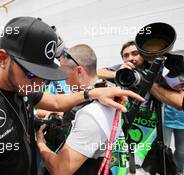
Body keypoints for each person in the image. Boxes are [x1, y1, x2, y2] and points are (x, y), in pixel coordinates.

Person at [0, 17, 144, 175]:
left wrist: (92, 92)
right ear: (2, 58)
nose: (38, 84)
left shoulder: (23, 86)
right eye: (32, 73)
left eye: (44, 76)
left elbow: (56, 102)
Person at [97, 41, 184, 173]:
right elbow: (97, 72)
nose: (130, 58)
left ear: (144, 55)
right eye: (126, 55)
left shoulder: (157, 71)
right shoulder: (123, 68)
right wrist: (119, 73)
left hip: (151, 134)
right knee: (121, 167)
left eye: (135, 53)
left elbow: (179, 102)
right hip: (125, 130)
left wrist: (145, 79)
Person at [36, 44, 122, 175]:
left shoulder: (92, 112)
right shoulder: (103, 98)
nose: (62, 79)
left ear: (79, 71)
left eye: (64, 74)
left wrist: (41, 143)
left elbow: (60, 170)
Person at [162, 50, 184, 174]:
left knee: (182, 150)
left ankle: (179, 171)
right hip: (166, 119)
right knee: (164, 148)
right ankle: (164, 170)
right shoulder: (166, 78)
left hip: (182, 121)